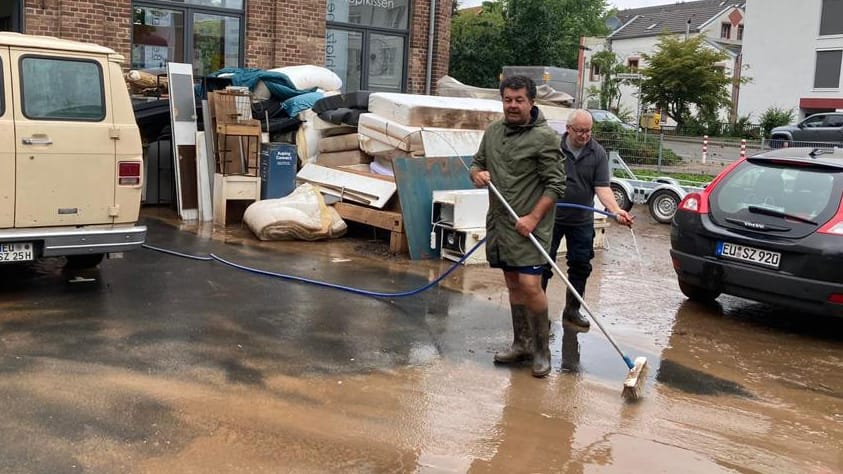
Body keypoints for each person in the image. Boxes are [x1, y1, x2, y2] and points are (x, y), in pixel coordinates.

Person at [470, 76, 566, 378]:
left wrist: (533, 219)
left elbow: (556, 184)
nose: (513, 105)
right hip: (500, 224)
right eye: (508, 99)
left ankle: (541, 350)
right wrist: (477, 174)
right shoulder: (493, 132)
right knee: (512, 285)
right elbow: (476, 163)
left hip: (530, 227)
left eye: (519, 100)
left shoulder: (545, 138)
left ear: (531, 102)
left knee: (530, 286)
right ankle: (521, 344)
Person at [542, 109, 634, 331]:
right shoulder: (553, 148)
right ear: (568, 129)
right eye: (580, 131)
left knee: (581, 265)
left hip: (581, 219)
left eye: (588, 131)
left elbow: (602, 188)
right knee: (543, 264)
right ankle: (538, 311)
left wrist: (615, 210)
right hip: (550, 217)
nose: (585, 136)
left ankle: (572, 310)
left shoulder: (597, 153)